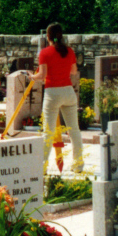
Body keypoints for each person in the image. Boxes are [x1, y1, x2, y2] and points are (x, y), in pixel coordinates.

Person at [33, 23, 82, 172]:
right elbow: (74, 71)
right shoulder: (69, 51)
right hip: (68, 92)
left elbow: (42, 76)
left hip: (52, 93)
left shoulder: (45, 53)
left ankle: (42, 167)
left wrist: (31, 76)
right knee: (74, 130)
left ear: (47, 36)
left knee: (48, 131)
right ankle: (78, 164)